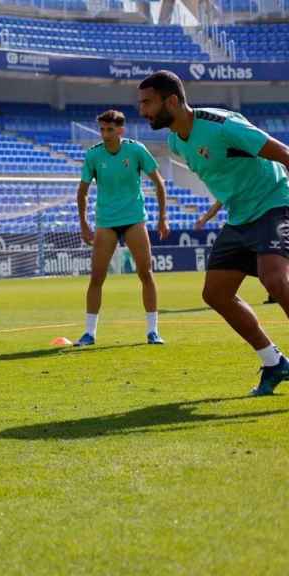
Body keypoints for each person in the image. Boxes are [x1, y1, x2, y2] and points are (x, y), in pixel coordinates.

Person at [139, 70, 289, 395]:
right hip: (240, 216)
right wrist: (216, 210)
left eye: (148, 102)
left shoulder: (223, 126)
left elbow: (284, 154)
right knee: (216, 294)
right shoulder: (175, 142)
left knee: (275, 280)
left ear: (173, 101)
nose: (142, 110)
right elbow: (226, 174)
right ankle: (274, 362)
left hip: (275, 201)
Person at [75, 109, 170, 347]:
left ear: (120, 130)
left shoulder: (136, 149)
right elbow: (82, 192)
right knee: (96, 277)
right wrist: (84, 224)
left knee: (145, 273)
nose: (105, 134)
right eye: (102, 130)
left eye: (109, 130)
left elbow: (159, 183)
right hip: (105, 221)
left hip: (134, 218)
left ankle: (152, 331)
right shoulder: (93, 155)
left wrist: (162, 218)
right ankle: (89, 333)